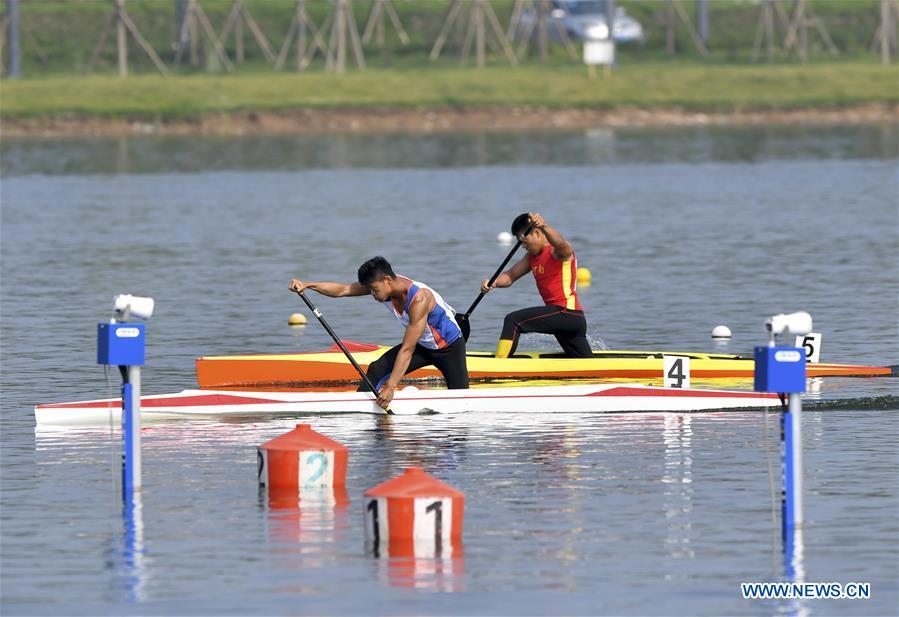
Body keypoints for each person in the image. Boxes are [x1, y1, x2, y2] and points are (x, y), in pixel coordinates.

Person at [289, 256, 468, 409]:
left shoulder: (419, 299)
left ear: (388, 280)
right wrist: (307, 284)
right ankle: (359, 410)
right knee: (377, 368)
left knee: (460, 401)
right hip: (423, 345)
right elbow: (343, 290)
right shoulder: (383, 285)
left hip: (449, 347)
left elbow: (407, 349)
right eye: (370, 290)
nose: (373, 295)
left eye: (374, 290)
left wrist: (391, 386)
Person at [480, 212, 592, 359]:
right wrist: (493, 282)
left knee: (513, 320)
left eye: (523, 239)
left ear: (538, 233)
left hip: (566, 313)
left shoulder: (556, 251)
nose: (523, 245)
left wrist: (544, 225)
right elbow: (510, 276)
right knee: (583, 362)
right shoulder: (531, 258)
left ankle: (499, 363)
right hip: (564, 319)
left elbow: (563, 245)